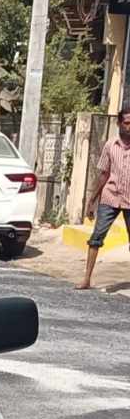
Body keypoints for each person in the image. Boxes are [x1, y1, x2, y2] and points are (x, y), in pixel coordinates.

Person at [80, 109, 130, 290]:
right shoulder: (110, 145)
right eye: (127, 123)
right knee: (96, 237)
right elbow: (103, 174)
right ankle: (86, 278)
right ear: (119, 124)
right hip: (110, 197)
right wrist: (91, 200)